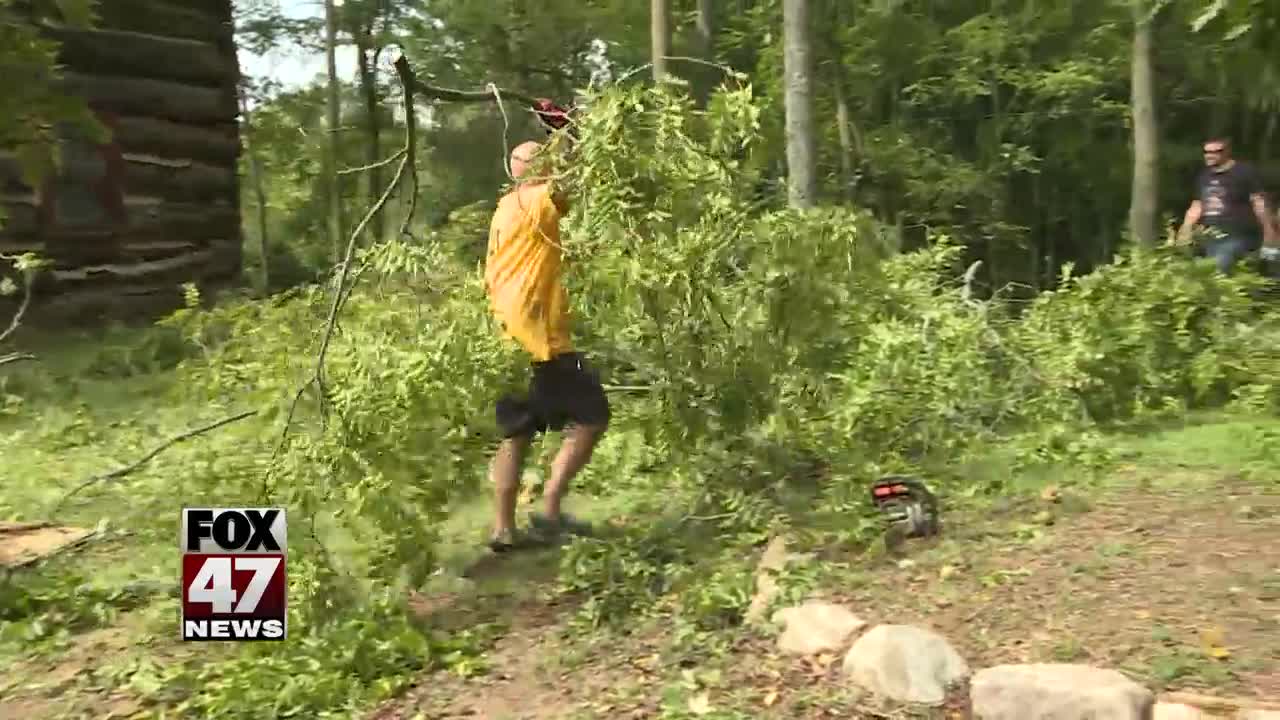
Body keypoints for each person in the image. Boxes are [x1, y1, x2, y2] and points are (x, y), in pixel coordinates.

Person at [481, 140, 608, 552]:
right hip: (539, 338)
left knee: (516, 431)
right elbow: (574, 182)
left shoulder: (505, 207)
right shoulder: (537, 200)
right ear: (537, 168)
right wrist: (571, 135)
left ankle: (503, 529)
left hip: (505, 335)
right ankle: (549, 509)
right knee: (593, 415)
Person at [1177, 137, 1278, 273]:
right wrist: (1185, 228)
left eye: (1216, 151)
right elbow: (1197, 205)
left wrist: (1269, 231)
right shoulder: (1204, 176)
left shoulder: (1244, 172)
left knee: (1219, 266)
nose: (1210, 155)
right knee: (1196, 269)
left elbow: (1259, 202)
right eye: (1206, 152)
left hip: (1239, 234)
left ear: (1227, 152)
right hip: (1210, 235)